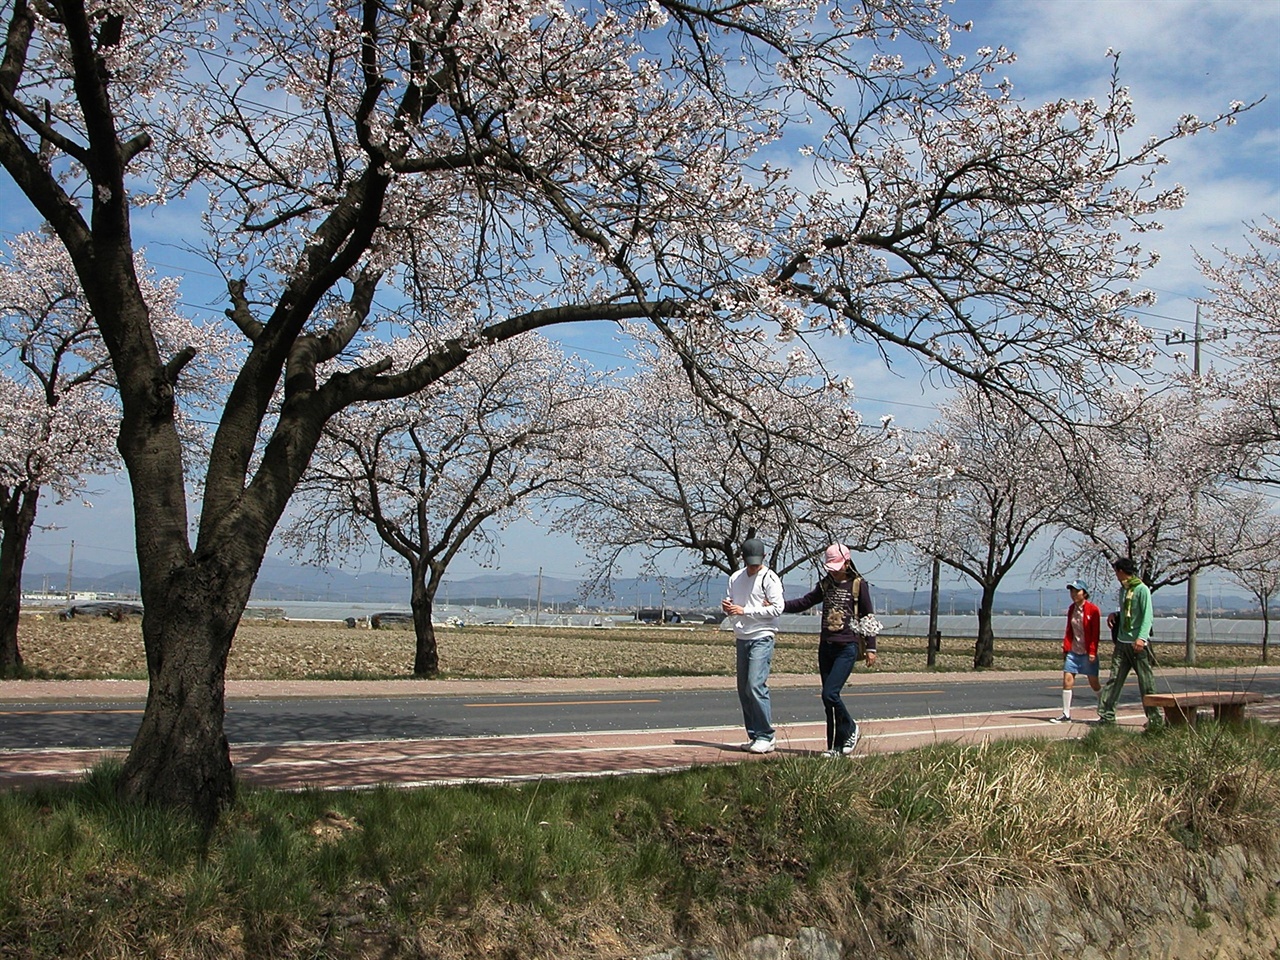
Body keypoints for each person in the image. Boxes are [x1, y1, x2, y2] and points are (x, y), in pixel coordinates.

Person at [783, 543, 878, 757]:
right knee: (828, 701)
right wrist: (780, 605)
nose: (834, 570)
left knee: (830, 693)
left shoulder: (857, 585)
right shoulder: (825, 584)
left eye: (837, 565)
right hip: (826, 646)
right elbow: (805, 602)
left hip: (847, 646)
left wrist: (871, 647)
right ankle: (834, 747)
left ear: (847, 562)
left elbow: (867, 616)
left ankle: (850, 727)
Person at [721, 531, 784, 754]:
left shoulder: (770, 578)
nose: (753, 567)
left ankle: (766, 734)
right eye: (750, 563)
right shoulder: (735, 578)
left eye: (756, 563)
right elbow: (733, 603)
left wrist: (746, 610)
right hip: (742, 636)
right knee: (743, 689)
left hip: (762, 635)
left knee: (755, 684)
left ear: (764, 558)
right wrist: (728, 608)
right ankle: (755, 734)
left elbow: (778, 608)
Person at [1097, 557, 1163, 729]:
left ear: (1121, 571)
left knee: (1146, 681)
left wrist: (1141, 638)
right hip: (1122, 642)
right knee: (1114, 678)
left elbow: (1147, 616)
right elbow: (1126, 612)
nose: (1115, 575)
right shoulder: (1123, 591)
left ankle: (1154, 719)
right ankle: (1107, 715)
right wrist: (1115, 615)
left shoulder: (1142, 590)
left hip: (1137, 644)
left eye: (1116, 571)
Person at [1050, 579, 1101, 723]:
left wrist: (1092, 651)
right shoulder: (1072, 609)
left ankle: (1104, 709)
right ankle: (1066, 713)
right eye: (1072, 591)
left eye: (1077, 591)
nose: (1073, 594)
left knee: (1094, 683)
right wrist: (1066, 647)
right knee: (1067, 680)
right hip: (1074, 650)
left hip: (1087, 652)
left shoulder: (1093, 610)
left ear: (1084, 593)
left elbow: (1095, 633)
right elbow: (1069, 630)